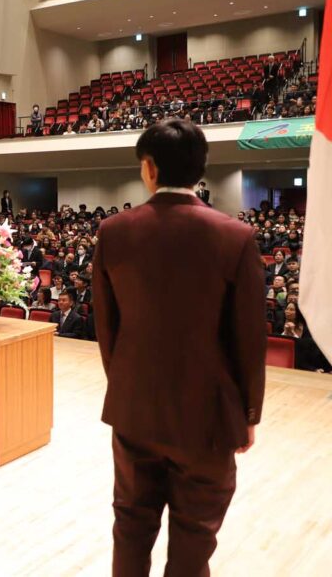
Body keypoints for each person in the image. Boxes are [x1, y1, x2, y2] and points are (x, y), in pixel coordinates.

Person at [92, 118, 266, 576]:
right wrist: (248, 414)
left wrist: (127, 387)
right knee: (194, 537)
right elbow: (250, 339)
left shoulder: (113, 231)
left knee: (131, 527)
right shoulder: (236, 236)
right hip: (208, 418)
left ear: (149, 168)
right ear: (200, 169)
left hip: (134, 408)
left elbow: (108, 330)